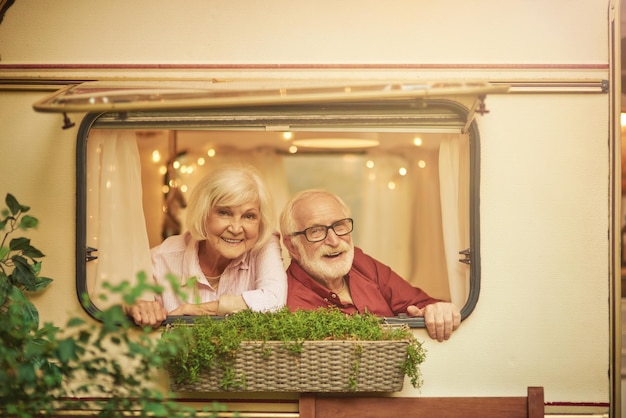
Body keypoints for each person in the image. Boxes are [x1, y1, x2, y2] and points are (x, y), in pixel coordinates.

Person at [279, 189, 461, 342]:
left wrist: (436, 310)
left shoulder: (360, 263)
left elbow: (420, 304)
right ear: (292, 246)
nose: (334, 241)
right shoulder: (285, 301)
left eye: (340, 226)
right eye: (316, 231)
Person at [125, 165, 287, 327]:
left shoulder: (264, 245)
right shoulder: (160, 259)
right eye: (224, 213)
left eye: (249, 216)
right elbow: (119, 300)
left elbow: (275, 301)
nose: (236, 229)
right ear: (203, 214)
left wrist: (197, 311)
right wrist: (133, 306)